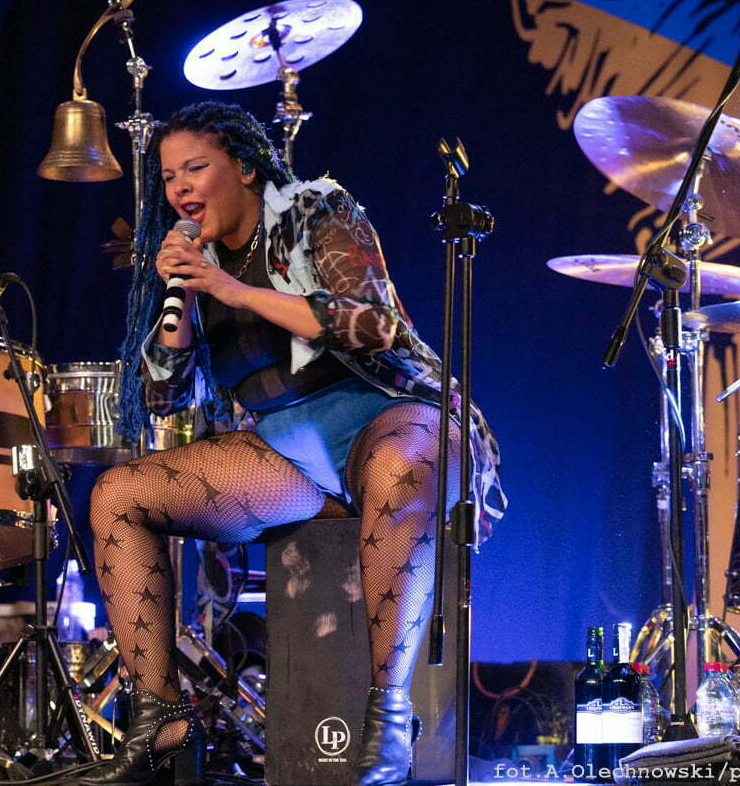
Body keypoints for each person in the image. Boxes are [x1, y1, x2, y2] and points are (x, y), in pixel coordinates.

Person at [82, 101, 505, 786]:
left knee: (400, 469)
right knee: (118, 495)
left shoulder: (317, 209)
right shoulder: (195, 265)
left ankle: (389, 720)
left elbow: (374, 326)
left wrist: (232, 290)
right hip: (288, 447)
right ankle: (164, 721)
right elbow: (163, 398)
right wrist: (181, 299)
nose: (180, 188)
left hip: (391, 412)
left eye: (196, 168)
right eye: (169, 177)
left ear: (246, 168)